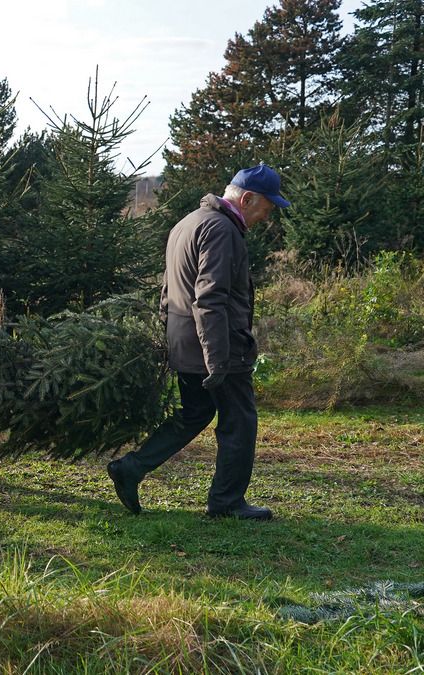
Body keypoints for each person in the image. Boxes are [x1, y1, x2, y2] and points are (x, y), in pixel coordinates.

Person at [107, 164, 290, 520]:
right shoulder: (222, 230)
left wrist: (169, 337)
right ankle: (226, 503)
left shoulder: (188, 222)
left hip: (186, 343)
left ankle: (131, 468)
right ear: (248, 199)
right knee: (240, 420)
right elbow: (210, 299)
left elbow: (167, 290)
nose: (265, 218)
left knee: (196, 412)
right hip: (219, 346)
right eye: (266, 209)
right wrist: (218, 360)